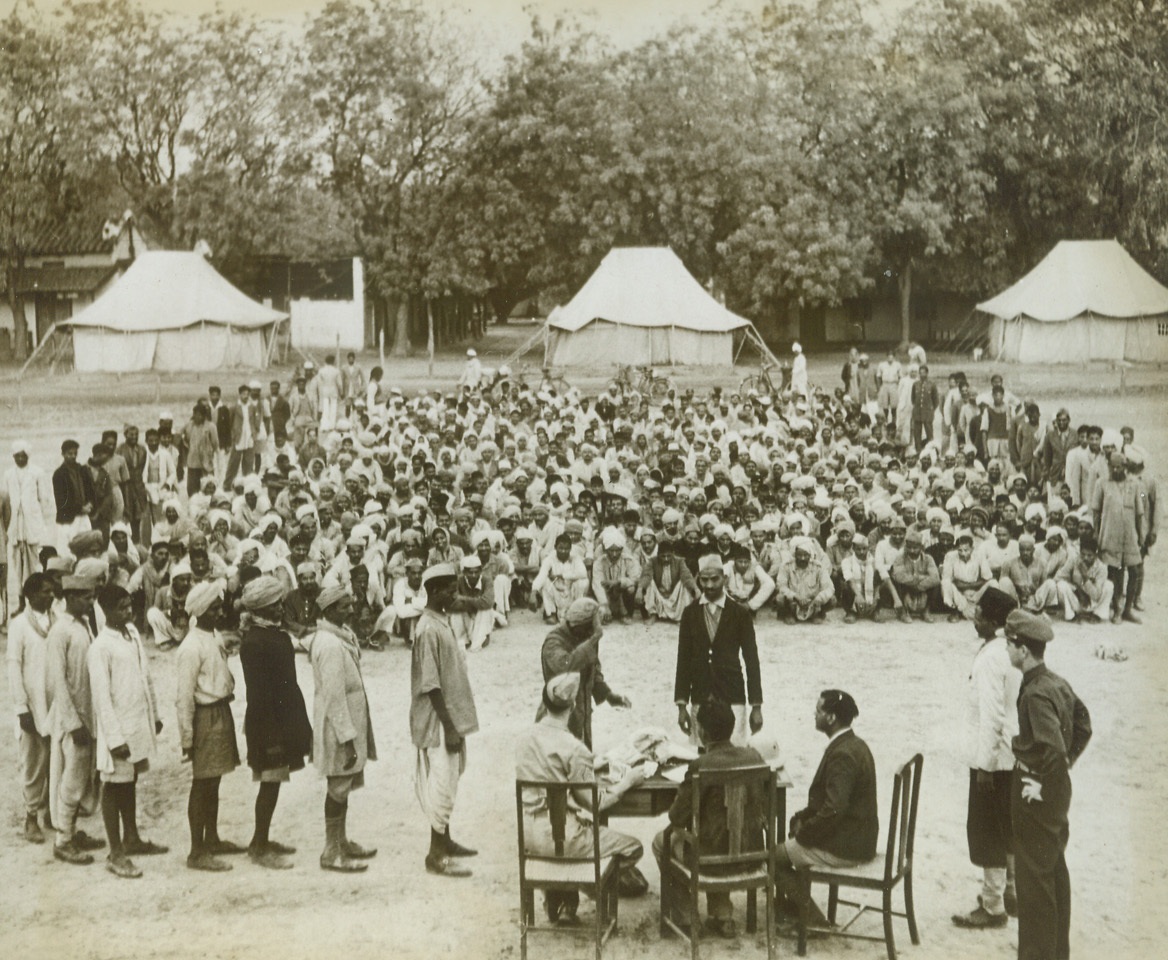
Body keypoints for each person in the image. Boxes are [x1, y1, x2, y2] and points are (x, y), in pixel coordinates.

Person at [516, 672, 647, 924]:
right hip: (562, 838)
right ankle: (589, 885)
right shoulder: (574, 748)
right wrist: (627, 782)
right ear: (573, 706)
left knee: (571, 835)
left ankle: (561, 897)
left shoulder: (524, 739)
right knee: (632, 847)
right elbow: (596, 803)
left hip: (529, 837)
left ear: (544, 703)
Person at [1005, 609, 1092, 960]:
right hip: (1053, 790)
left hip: (1035, 791)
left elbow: (1053, 748)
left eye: (1010, 644)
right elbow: (1084, 725)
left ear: (1023, 650)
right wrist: (1065, 767)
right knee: (1052, 872)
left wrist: (1043, 785)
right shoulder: (1055, 682)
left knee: (1034, 884)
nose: (1007, 649)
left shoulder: (1036, 693)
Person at [655, 698, 768, 939]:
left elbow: (676, 816)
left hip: (710, 861)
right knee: (720, 836)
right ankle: (722, 915)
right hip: (751, 857)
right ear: (731, 726)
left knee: (662, 841)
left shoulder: (700, 765)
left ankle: (686, 919)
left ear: (702, 732)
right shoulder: (755, 757)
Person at [774, 690, 878, 929]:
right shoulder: (854, 743)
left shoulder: (842, 754)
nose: (815, 714)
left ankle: (812, 920)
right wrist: (803, 818)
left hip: (848, 846)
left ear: (831, 718)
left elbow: (833, 809)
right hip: (858, 836)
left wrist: (804, 834)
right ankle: (798, 906)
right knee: (791, 843)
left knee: (772, 858)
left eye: (819, 710)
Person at [87, 584, 168, 878]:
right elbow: (102, 697)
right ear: (105, 610)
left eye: (129, 606)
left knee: (130, 779)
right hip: (118, 729)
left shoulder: (132, 634)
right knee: (114, 785)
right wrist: (114, 738)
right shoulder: (100, 647)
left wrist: (154, 714)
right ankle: (115, 851)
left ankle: (131, 837)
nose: (127, 612)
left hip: (137, 723)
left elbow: (145, 676)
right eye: (120, 608)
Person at [952, 587, 1021, 930]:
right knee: (1004, 827)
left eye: (979, 613)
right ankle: (1007, 891)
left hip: (993, 759)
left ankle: (993, 906)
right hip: (1007, 756)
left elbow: (992, 715)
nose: (974, 617)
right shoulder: (1006, 650)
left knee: (987, 830)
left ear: (994, 621)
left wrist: (985, 765)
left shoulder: (994, 657)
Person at [238, 575, 312, 869]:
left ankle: (263, 838)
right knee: (269, 782)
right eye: (275, 605)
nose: (281, 609)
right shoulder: (255, 642)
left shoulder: (274, 635)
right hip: (268, 724)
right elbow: (260, 696)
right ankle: (258, 844)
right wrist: (271, 739)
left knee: (275, 781)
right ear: (262, 609)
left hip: (282, 719)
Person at [410, 563, 479, 877]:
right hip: (439, 721)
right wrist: (449, 726)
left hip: (451, 716)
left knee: (450, 778)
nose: (454, 593)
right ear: (434, 591)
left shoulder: (442, 621)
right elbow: (430, 684)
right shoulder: (427, 628)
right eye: (449, 589)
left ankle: (446, 841)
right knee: (441, 784)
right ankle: (434, 855)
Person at [175, 580, 242, 872]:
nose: (219, 612)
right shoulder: (190, 647)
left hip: (220, 712)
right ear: (200, 610)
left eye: (219, 606)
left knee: (214, 780)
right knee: (202, 783)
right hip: (204, 716)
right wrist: (187, 737)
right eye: (213, 608)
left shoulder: (212, 636)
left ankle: (212, 838)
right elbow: (183, 697)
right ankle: (196, 850)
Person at [310, 584, 377, 872]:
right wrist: (347, 738)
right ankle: (331, 851)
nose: (351, 609)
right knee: (337, 788)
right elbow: (335, 696)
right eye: (344, 606)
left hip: (347, 723)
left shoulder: (340, 637)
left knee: (344, 784)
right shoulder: (328, 644)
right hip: (339, 727)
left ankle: (342, 841)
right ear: (328, 611)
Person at [45, 572, 106, 864]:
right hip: (75, 721)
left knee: (86, 779)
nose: (90, 602)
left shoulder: (83, 625)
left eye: (92, 596)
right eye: (86, 598)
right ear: (70, 598)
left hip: (89, 715)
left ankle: (73, 830)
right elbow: (58, 681)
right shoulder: (60, 632)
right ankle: (63, 840)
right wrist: (73, 723)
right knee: (72, 779)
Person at [674, 554, 763, 747]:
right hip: (700, 693)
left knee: (734, 750)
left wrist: (756, 706)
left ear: (724, 578)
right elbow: (683, 660)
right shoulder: (690, 614)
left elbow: (751, 661)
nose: (710, 585)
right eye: (704, 580)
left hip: (733, 693)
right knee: (702, 751)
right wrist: (681, 705)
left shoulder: (740, 614)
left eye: (714, 579)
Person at [537, 597, 631, 749]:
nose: (592, 632)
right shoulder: (554, 642)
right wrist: (593, 639)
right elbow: (566, 665)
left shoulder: (584, 638)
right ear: (577, 625)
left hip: (581, 712)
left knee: (581, 759)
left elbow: (593, 669)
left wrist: (607, 695)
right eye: (590, 628)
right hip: (558, 714)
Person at [7, 572, 55, 843]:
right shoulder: (19, 625)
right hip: (32, 705)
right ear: (30, 595)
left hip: (55, 704)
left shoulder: (56, 619)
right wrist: (21, 708)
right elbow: (13, 666)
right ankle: (31, 818)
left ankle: (51, 812)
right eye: (44, 592)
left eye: (51, 592)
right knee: (34, 762)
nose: (50, 596)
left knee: (55, 759)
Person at [1089, 451, 1145, 624]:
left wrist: (1141, 534)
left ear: (1125, 467)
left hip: (1129, 536)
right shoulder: (1102, 483)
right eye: (1112, 466)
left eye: (1119, 466)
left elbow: (1139, 513)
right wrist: (1097, 533)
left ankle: (1128, 609)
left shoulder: (1134, 484)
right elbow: (1096, 512)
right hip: (1110, 535)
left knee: (1135, 571)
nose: (1115, 469)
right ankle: (1117, 610)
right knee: (1115, 574)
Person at [4, 440, 56, 622]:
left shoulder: (37, 473)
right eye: (17, 455)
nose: (20, 458)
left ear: (28, 456)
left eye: (23, 455)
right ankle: (21, 602)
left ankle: (36, 601)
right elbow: (6, 499)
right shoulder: (8, 474)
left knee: (34, 565)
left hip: (32, 525)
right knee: (17, 567)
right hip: (15, 527)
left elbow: (44, 498)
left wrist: (38, 520)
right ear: (13, 457)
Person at [52, 439, 94, 555]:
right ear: (63, 454)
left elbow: (90, 490)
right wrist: (80, 508)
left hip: (84, 517)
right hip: (68, 519)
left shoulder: (83, 470)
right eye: (70, 454)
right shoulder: (59, 474)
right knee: (67, 551)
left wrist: (90, 503)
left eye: (75, 453)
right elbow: (61, 501)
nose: (73, 456)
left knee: (86, 548)